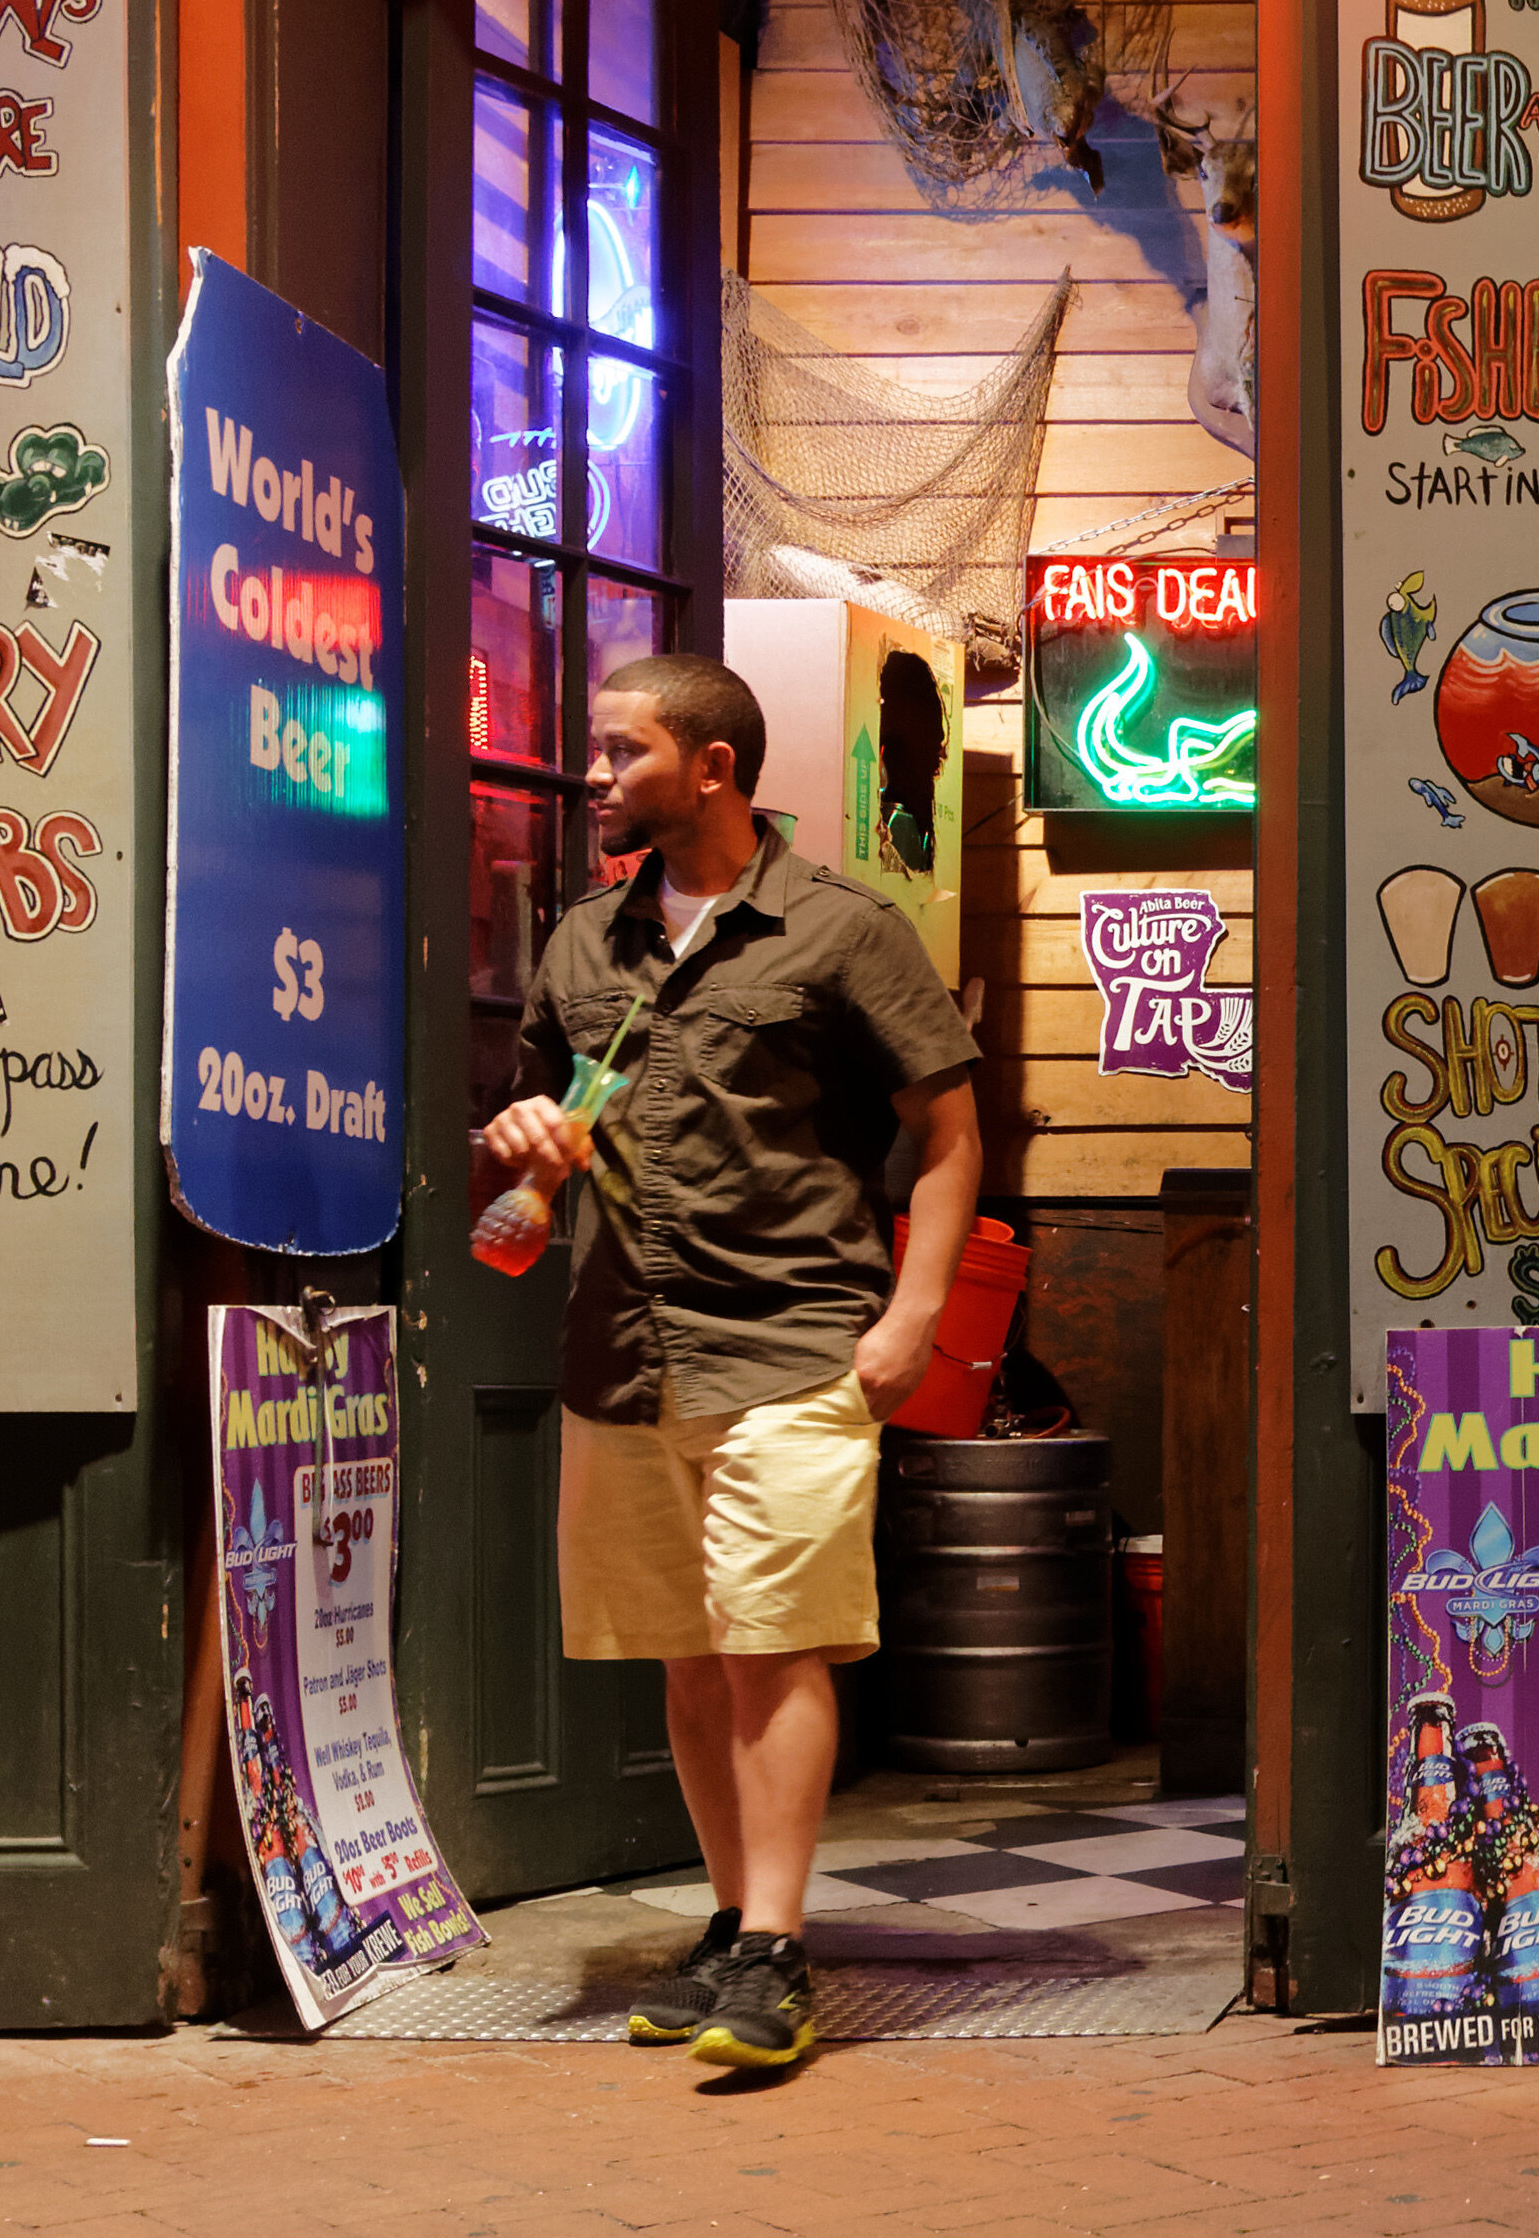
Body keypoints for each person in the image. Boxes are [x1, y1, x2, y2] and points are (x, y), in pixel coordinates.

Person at [475, 653, 982, 2073]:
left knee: (773, 1642)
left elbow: (950, 1133)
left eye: (621, 751)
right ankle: (729, 1916)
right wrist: (517, 1140)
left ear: (712, 767)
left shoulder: (840, 929)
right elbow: (528, 1116)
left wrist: (913, 1316)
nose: (594, 775)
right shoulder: (584, 941)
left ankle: (775, 1945)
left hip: (791, 1340)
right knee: (690, 1657)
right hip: (620, 1352)